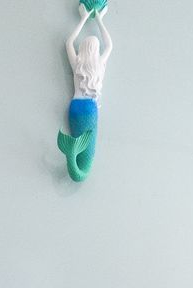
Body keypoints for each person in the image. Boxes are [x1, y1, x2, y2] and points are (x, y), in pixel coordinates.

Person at [59, 2, 112, 182]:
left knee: (83, 148)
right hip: (90, 109)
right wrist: (99, 18)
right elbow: (110, 45)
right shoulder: (99, 66)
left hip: (75, 108)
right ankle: (73, 153)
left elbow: (69, 42)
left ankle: (74, 153)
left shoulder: (78, 65)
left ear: (82, 49)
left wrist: (83, 17)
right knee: (86, 160)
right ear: (96, 52)